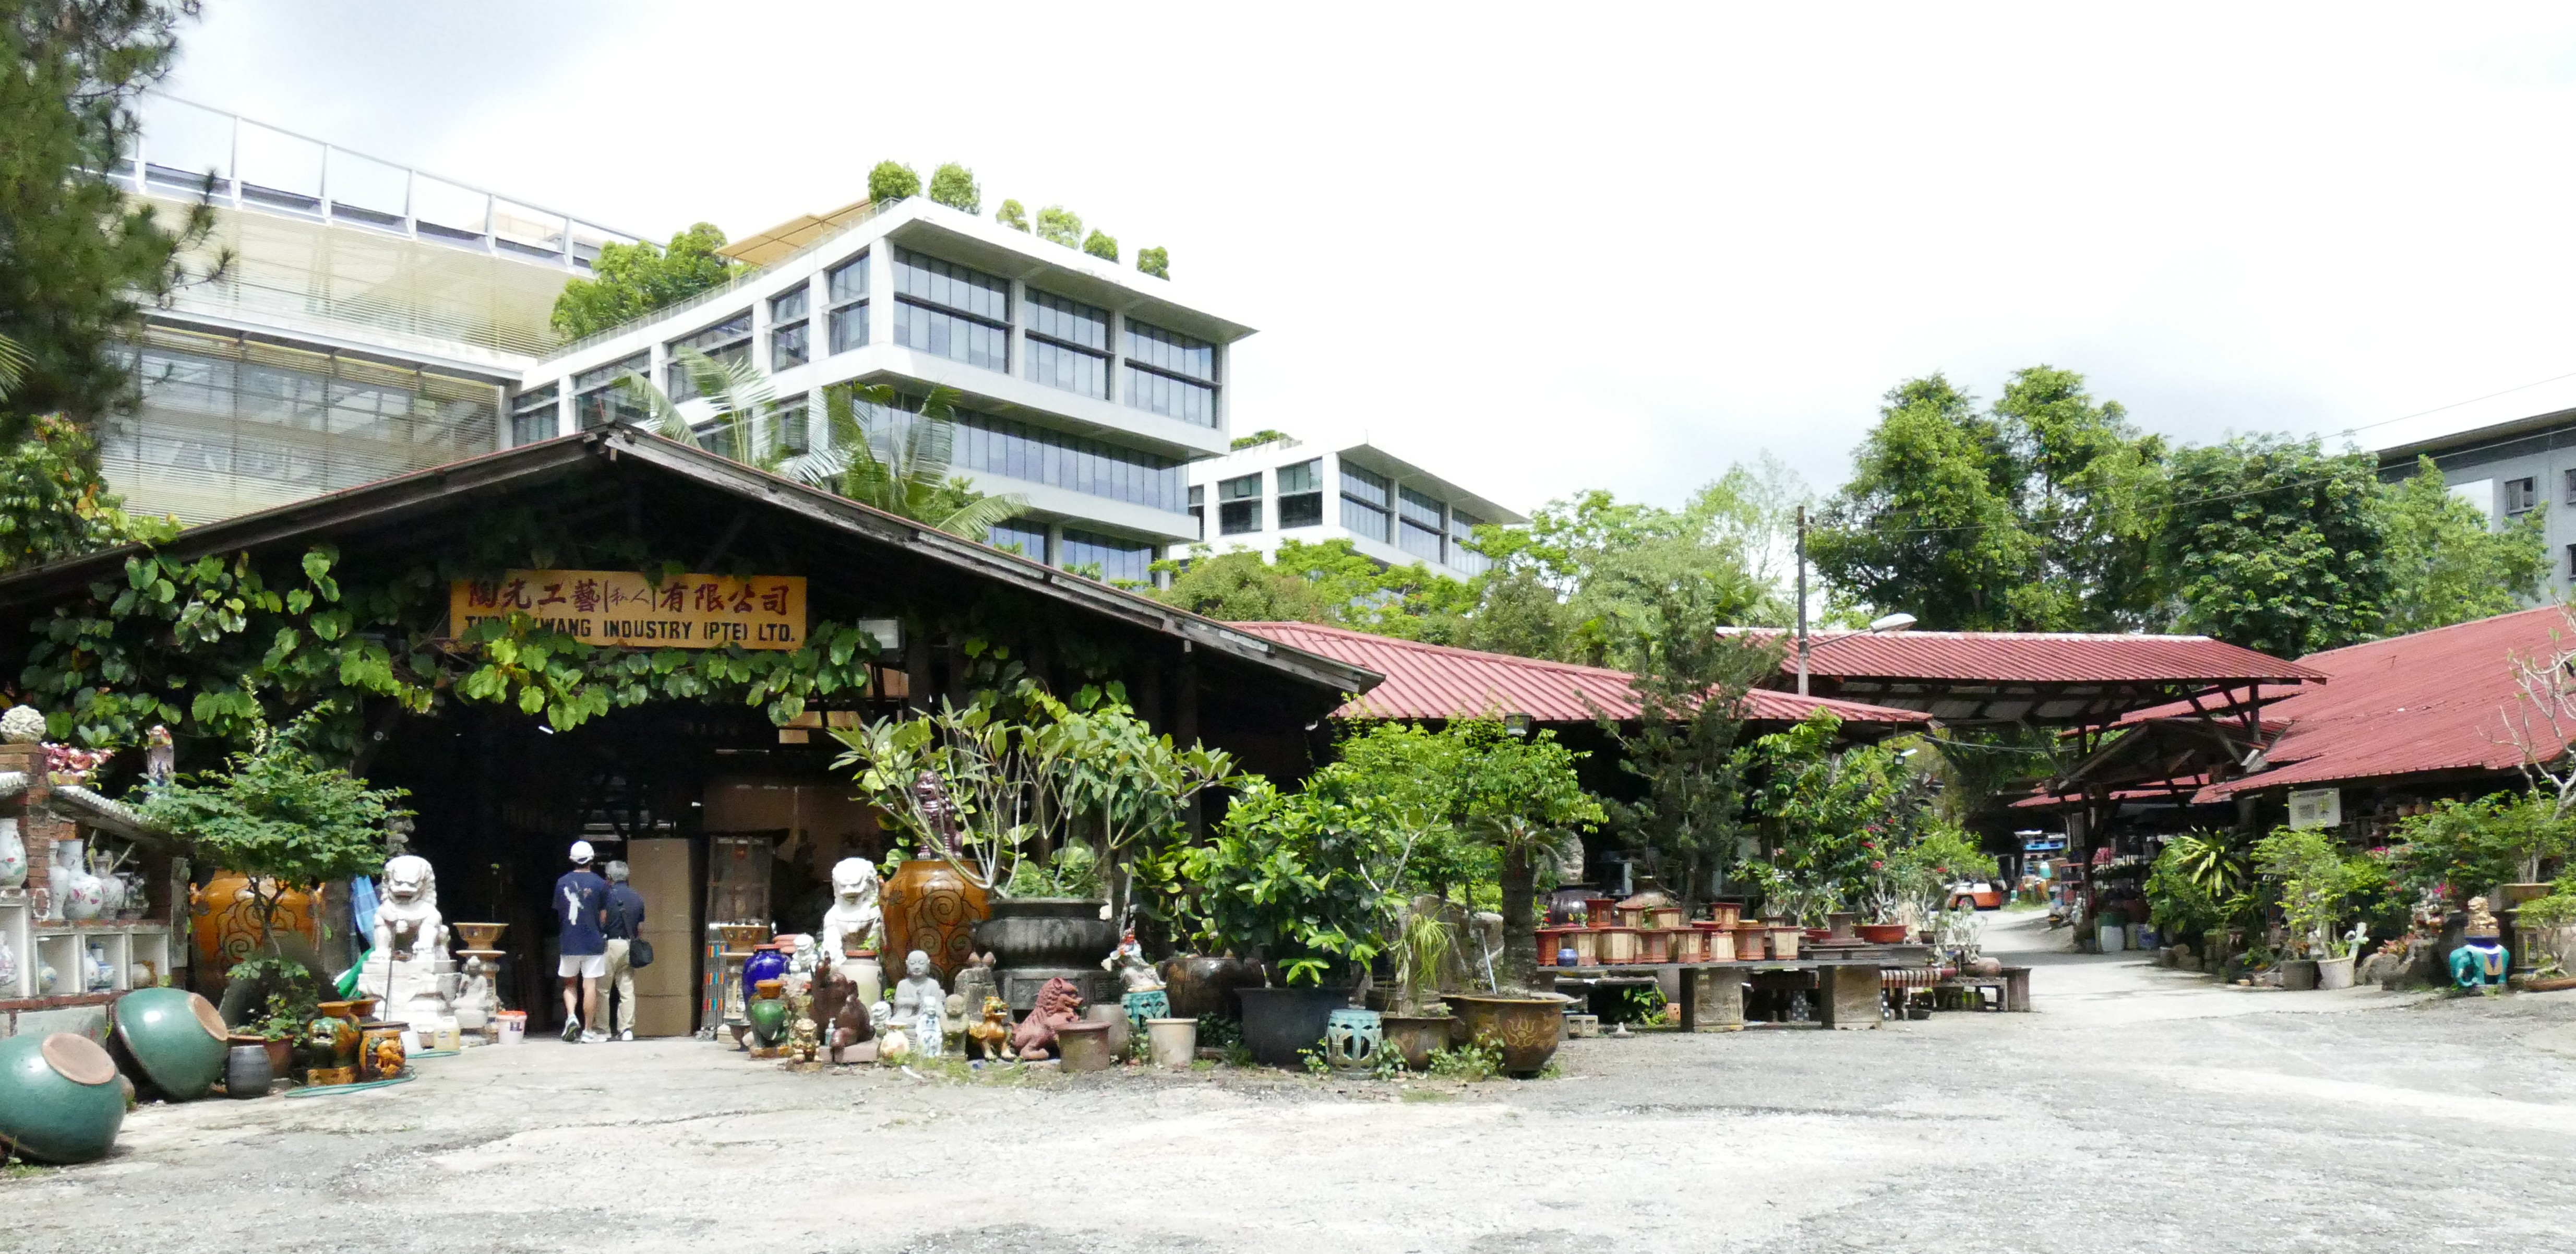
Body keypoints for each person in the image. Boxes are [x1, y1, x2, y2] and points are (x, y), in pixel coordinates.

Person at [554, 840, 612, 1043]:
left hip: (569, 940)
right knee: (590, 985)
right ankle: (588, 1031)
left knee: (570, 983)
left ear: (572, 860)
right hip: (593, 942)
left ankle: (571, 1016)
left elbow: (559, 911)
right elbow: (603, 916)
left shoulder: (562, 883)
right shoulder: (600, 884)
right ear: (592, 859)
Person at [601, 859, 648, 1042]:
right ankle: (626, 1029)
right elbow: (641, 927)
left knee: (602, 990)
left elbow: (601, 921)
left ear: (609, 877)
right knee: (627, 989)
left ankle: (603, 1029)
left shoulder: (604, 897)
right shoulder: (637, 897)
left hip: (607, 945)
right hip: (628, 945)